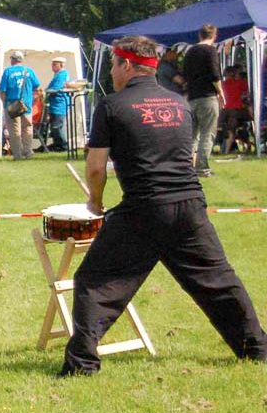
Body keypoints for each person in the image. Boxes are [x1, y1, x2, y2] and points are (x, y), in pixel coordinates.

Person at [60, 35, 267, 377]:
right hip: (189, 205)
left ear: (127, 64)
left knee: (95, 281)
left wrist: (94, 203)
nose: (111, 72)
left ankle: (82, 364)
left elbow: (96, 168)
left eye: (113, 64)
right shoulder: (179, 103)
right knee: (218, 282)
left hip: (143, 209)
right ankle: (256, 348)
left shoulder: (111, 106)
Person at [183, 24, 222, 177]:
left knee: (192, 135)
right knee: (207, 133)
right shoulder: (210, 50)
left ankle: (186, 168)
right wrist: (220, 92)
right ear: (214, 36)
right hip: (207, 97)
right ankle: (202, 168)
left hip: (192, 97)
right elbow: (214, 73)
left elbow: (185, 74)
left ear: (200, 35)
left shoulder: (190, 51)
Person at [0, 51, 40, 160]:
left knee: (14, 131)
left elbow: (2, 91)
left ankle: (17, 154)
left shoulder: (7, 71)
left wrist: (5, 105)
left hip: (12, 105)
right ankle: (28, 152)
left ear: (13, 59)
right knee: (27, 129)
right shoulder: (29, 71)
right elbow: (37, 88)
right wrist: (32, 100)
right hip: (26, 105)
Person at [40, 56, 83, 153]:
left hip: (59, 104)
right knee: (55, 126)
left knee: (57, 126)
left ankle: (63, 145)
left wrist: (46, 91)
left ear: (61, 65)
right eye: (52, 64)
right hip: (55, 104)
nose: (53, 66)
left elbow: (56, 88)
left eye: (55, 64)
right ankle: (57, 144)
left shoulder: (62, 75)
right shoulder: (58, 75)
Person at [220, 65, 248, 154]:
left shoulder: (222, 84)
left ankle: (225, 150)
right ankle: (227, 150)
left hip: (223, 112)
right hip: (235, 111)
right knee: (232, 130)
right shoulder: (240, 83)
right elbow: (246, 94)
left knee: (228, 130)